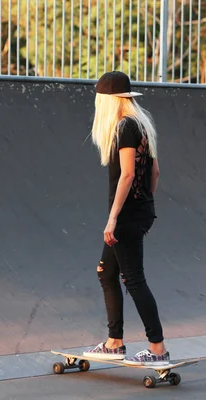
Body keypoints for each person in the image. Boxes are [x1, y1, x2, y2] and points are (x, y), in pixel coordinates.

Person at [82, 71, 170, 366]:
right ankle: (114, 342)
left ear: (107, 101)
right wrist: (145, 203)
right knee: (107, 274)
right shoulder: (143, 125)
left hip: (126, 215)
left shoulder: (124, 127)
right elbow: (154, 173)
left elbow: (128, 174)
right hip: (141, 210)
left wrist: (113, 218)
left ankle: (157, 349)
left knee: (133, 279)